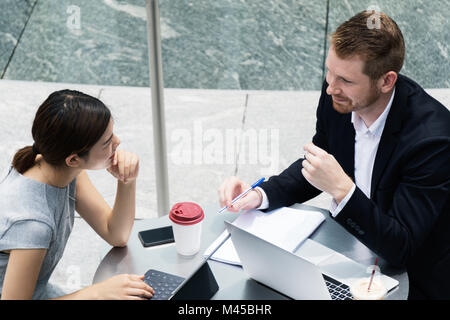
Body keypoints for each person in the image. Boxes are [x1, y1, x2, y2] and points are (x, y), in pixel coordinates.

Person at [218, 11, 450, 300]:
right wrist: (261, 195)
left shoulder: (433, 141)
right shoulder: (339, 97)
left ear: (386, 80)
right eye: (329, 71)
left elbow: (402, 246)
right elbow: (319, 164)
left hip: (414, 280)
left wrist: (342, 189)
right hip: (353, 255)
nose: (330, 86)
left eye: (345, 80)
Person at [0, 90, 155, 300]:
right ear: (73, 159)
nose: (117, 142)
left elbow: (116, 234)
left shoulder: (59, 169)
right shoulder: (32, 224)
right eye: (107, 142)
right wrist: (97, 293)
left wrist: (126, 181)